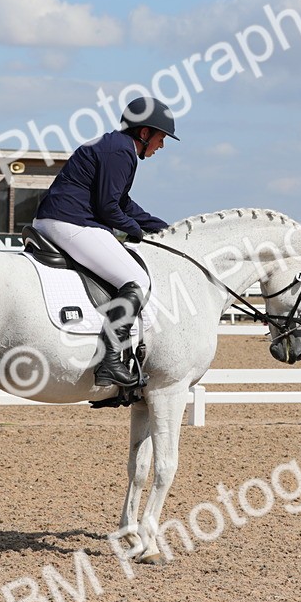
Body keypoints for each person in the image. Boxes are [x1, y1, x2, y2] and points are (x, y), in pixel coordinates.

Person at [32, 96, 177, 387]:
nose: (161, 146)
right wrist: (134, 230)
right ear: (144, 133)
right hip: (71, 222)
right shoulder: (121, 152)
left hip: (56, 218)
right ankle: (110, 361)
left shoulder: (115, 146)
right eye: (161, 138)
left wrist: (163, 229)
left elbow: (122, 203)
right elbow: (108, 209)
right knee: (136, 279)